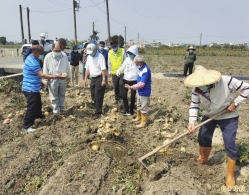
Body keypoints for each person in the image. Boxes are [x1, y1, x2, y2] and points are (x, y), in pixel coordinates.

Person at [184, 65, 249, 187]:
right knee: (203, 136)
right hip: (210, 114)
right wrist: (191, 122)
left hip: (228, 115)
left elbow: (247, 88)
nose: (201, 85)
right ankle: (203, 159)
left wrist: (235, 103)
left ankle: (230, 175)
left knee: (229, 142)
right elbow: (194, 105)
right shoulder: (196, 89)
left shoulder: (227, 81)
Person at [22, 45, 66, 132]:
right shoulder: (32, 61)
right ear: (35, 53)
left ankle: (39, 116)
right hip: (30, 88)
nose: (41, 55)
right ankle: (27, 125)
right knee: (32, 106)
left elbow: (34, 74)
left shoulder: (33, 59)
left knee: (38, 103)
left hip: (34, 87)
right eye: (40, 54)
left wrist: (41, 83)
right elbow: (42, 75)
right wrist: (56, 76)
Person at [43, 42, 71, 114]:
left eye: (59, 50)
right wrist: (45, 80)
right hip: (53, 79)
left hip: (62, 79)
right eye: (56, 50)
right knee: (54, 95)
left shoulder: (64, 55)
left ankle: (61, 108)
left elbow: (68, 67)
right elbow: (45, 69)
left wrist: (69, 77)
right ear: (52, 49)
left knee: (62, 94)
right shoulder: (48, 57)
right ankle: (56, 111)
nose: (58, 52)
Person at [124, 55, 151, 128]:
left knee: (144, 107)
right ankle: (138, 117)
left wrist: (131, 87)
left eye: (136, 62)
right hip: (140, 91)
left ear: (140, 62)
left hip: (144, 92)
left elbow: (142, 84)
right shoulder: (141, 69)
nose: (135, 64)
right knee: (138, 105)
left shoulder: (145, 70)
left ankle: (144, 122)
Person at [84, 43, 106, 120]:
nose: (91, 54)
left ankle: (98, 112)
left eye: (92, 52)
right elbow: (87, 68)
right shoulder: (89, 57)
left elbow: (103, 69)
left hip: (100, 77)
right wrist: (85, 78)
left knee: (98, 94)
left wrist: (103, 80)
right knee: (93, 94)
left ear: (95, 50)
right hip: (93, 78)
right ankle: (97, 107)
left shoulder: (100, 57)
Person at [117, 45, 139, 115]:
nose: (130, 55)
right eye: (128, 53)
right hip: (125, 79)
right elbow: (122, 67)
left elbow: (140, 71)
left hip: (134, 81)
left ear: (135, 54)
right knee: (124, 95)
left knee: (133, 97)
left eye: (131, 54)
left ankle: (131, 110)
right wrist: (119, 70)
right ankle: (126, 109)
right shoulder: (127, 59)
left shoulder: (137, 62)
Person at [108, 39, 125, 104]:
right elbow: (109, 62)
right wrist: (109, 71)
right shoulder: (110, 52)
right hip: (114, 72)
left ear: (117, 45)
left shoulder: (122, 51)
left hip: (121, 72)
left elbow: (125, 61)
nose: (113, 47)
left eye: (115, 46)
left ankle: (122, 97)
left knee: (121, 84)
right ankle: (117, 99)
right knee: (115, 86)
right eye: (112, 46)